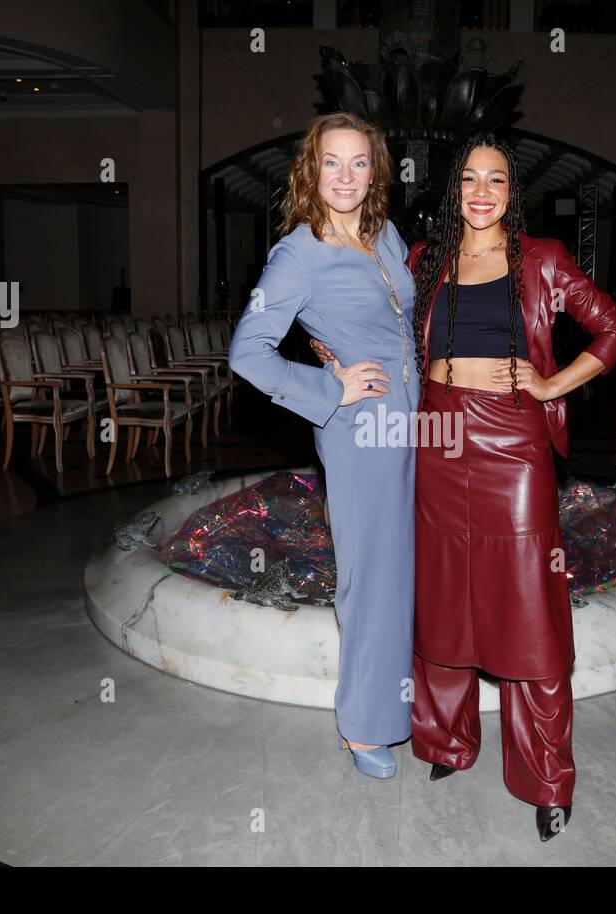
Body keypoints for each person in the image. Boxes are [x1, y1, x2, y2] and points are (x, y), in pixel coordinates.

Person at [315, 132, 616, 840]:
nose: (481, 191)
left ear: (511, 192)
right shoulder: (424, 260)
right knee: (442, 594)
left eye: (495, 179)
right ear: (452, 191)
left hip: (514, 443)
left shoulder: (543, 259)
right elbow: (361, 300)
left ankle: (547, 776)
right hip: (436, 436)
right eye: (468, 179)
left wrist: (551, 383)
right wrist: (324, 343)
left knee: (527, 609)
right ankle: (446, 742)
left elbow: (613, 330)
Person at [228, 111, 418, 779]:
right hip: (361, 429)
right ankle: (364, 727)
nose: (345, 176)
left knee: (405, 570)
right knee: (372, 576)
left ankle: (398, 699)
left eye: (359, 162)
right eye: (331, 162)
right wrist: (329, 387)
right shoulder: (297, 253)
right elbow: (247, 352)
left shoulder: (385, 235)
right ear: (312, 170)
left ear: (376, 171)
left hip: (415, 423)